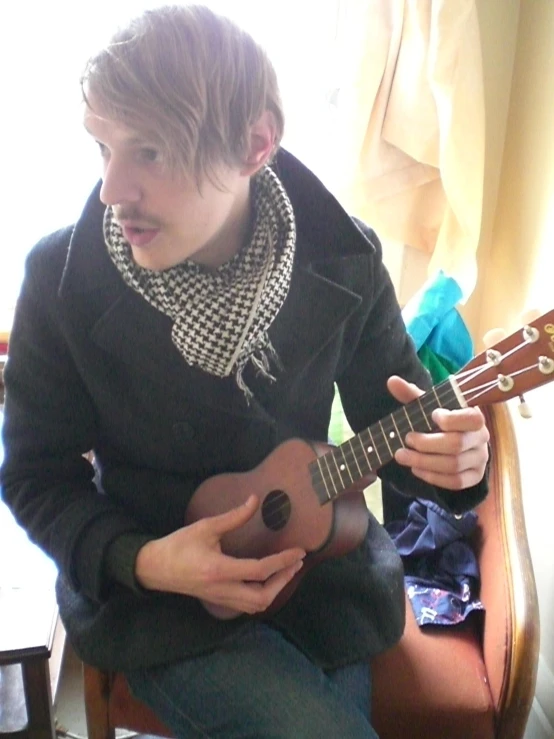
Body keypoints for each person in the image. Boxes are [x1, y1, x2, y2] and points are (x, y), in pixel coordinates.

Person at [0, 5, 489, 737]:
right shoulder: (64, 278)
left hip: (320, 578)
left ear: (255, 144)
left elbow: (399, 430)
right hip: (161, 600)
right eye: (103, 148)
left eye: (151, 153)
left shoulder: (343, 259)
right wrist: (146, 560)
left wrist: (457, 460)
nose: (110, 189)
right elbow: (34, 472)